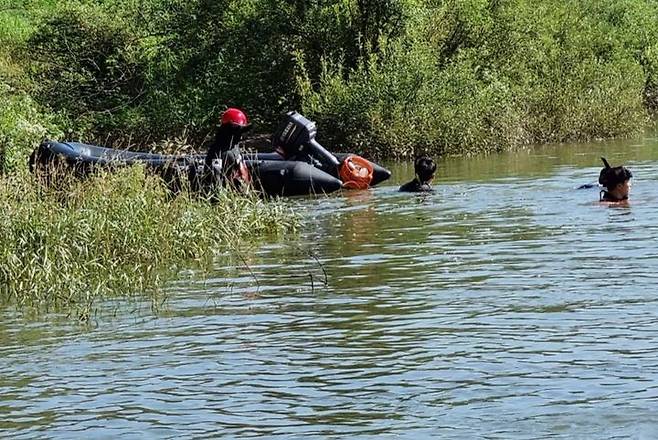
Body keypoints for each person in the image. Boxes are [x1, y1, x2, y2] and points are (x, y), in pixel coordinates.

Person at [202, 107, 252, 191]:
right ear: (230, 130)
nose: (241, 136)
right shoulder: (218, 151)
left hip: (240, 193)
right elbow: (215, 180)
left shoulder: (233, 146)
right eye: (239, 132)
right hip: (228, 197)